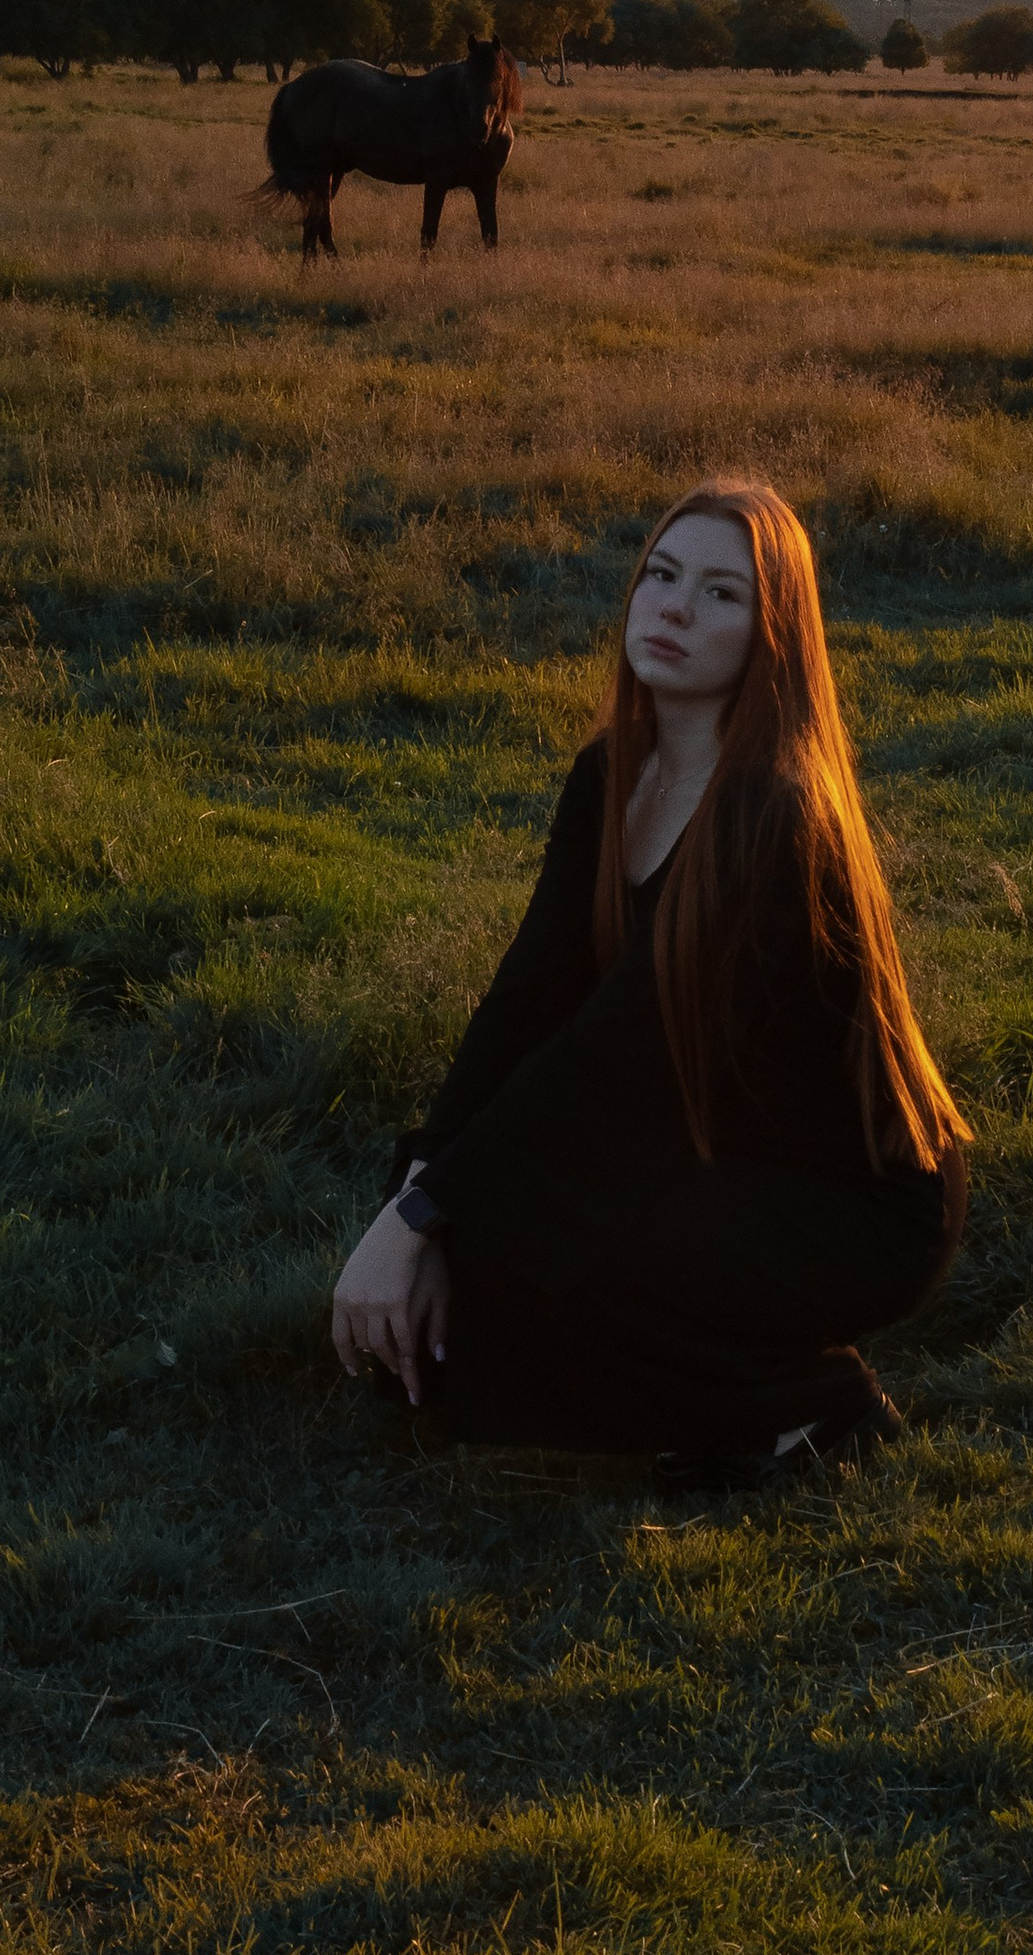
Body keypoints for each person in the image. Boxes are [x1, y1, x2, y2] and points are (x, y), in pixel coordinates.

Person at [329, 478, 969, 1486]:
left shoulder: (774, 816)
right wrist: (421, 1180)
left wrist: (421, 1217)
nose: (672, 606)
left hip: (842, 1201)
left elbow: (615, 1055)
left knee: (530, 1249)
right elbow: (526, 1000)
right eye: (661, 575)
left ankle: (804, 1407)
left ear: (772, 637)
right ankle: (692, 1382)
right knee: (448, 1324)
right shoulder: (610, 774)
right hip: (701, 1142)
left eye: (721, 594)